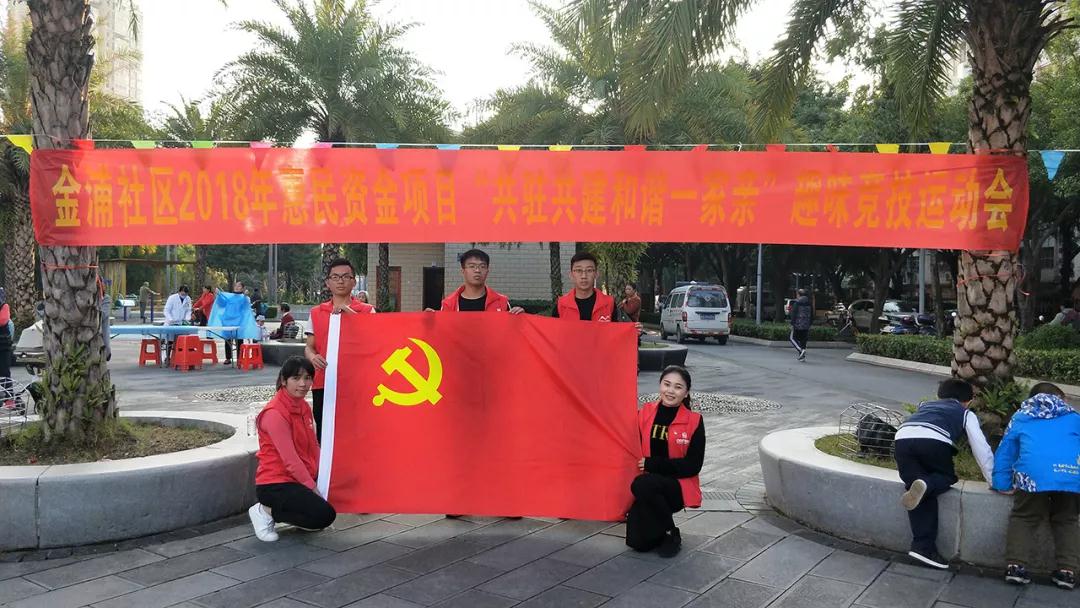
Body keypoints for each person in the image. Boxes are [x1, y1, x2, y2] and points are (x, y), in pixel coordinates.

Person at [893, 378, 994, 570]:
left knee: (919, 491)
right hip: (934, 441)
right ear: (968, 401)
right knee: (945, 477)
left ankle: (923, 547)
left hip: (902, 439)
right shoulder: (966, 413)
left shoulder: (924, 405)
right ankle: (927, 485)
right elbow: (981, 448)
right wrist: (993, 480)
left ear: (939, 396)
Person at [992, 382, 1080, 589]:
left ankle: (1016, 567)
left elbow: (1006, 453)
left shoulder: (1021, 417)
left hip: (1033, 475)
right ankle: (1067, 572)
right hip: (1072, 475)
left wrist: (1002, 483)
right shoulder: (1075, 418)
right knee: (1067, 519)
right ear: (1063, 398)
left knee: (1024, 516)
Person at [248, 356, 336, 542]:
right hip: (276, 483)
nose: (303, 384)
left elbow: (314, 446)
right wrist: (313, 488)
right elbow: (290, 460)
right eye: (296, 378)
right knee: (325, 514)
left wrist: (328, 474)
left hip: (299, 478)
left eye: (308, 378)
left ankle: (303, 512)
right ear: (284, 380)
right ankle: (264, 511)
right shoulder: (274, 414)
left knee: (331, 499)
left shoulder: (303, 406)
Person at [626, 365, 704, 558]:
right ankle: (663, 529)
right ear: (660, 385)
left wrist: (653, 464)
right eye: (666, 384)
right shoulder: (645, 413)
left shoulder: (694, 421)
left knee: (642, 484)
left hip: (677, 487)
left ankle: (671, 531)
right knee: (638, 543)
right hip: (648, 487)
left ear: (686, 393)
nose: (670, 391)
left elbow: (693, 465)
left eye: (678, 387)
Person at [306, 258, 375, 441]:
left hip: (357, 385)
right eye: (335, 277)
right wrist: (313, 358)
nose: (340, 281)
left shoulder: (367, 311)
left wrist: (350, 315)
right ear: (328, 282)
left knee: (356, 435)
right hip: (324, 382)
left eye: (346, 277)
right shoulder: (316, 312)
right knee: (325, 434)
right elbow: (309, 347)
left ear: (354, 282)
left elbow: (373, 343)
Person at [434, 249, 524, 313]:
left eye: (482, 266)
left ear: (487, 271)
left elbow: (511, 331)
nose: (477, 270)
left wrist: (520, 319)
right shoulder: (448, 304)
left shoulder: (501, 302)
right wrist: (430, 322)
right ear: (463, 271)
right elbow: (442, 331)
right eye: (472, 266)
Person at [553, 252, 621, 322]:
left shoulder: (609, 303)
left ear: (596, 274)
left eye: (589, 270)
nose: (584, 276)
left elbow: (617, 328)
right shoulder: (561, 305)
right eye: (579, 270)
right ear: (571, 275)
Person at [218, 281, 251, 366]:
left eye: (239, 286)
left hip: (239, 321)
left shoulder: (245, 297)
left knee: (239, 340)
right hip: (228, 320)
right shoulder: (230, 297)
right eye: (236, 285)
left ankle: (240, 358)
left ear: (243, 288)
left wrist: (245, 296)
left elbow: (245, 307)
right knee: (227, 339)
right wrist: (219, 295)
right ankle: (228, 358)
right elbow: (222, 304)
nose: (236, 287)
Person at [162, 285, 192, 363]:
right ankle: (167, 357)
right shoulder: (172, 298)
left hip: (181, 323)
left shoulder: (188, 299)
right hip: (171, 323)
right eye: (182, 294)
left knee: (183, 340)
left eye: (185, 294)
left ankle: (183, 357)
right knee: (170, 340)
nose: (184, 296)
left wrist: (187, 318)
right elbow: (166, 310)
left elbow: (188, 310)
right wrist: (170, 319)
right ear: (179, 292)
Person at [0, 288, 14, 410]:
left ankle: (9, 399)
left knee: (5, 372)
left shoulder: (4, 306)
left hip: (3, 346)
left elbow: (3, 320)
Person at [789, 288, 812, 362]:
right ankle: (802, 356)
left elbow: (794, 314)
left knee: (792, 338)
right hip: (806, 324)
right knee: (803, 340)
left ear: (798, 294)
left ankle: (801, 350)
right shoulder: (809, 303)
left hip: (797, 324)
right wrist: (810, 323)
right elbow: (812, 314)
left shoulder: (797, 302)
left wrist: (792, 323)